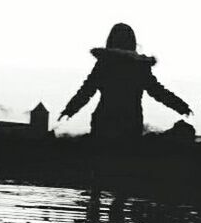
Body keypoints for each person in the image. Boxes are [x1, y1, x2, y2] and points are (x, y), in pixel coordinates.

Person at [58, 22, 192, 139]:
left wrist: (69, 111)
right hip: (131, 121)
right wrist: (181, 106)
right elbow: (157, 91)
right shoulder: (139, 66)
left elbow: (86, 91)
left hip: (104, 120)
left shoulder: (105, 63)